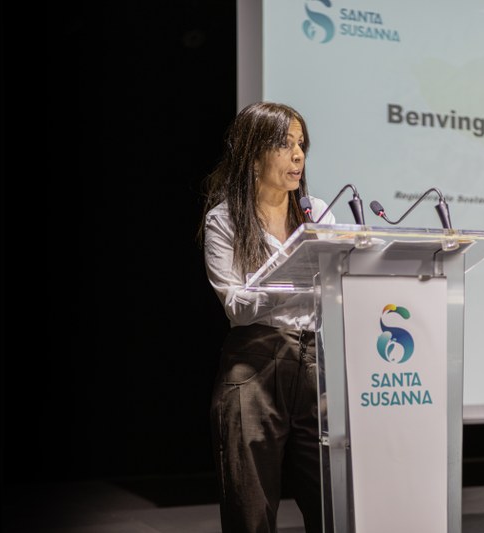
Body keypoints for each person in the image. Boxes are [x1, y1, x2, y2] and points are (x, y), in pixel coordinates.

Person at [197, 101, 335, 533]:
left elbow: (335, 286)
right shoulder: (225, 220)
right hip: (254, 364)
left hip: (314, 364)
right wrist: (294, 278)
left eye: (301, 144)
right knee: (250, 509)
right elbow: (237, 306)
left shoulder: (316, 213)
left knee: (334, 503)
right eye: (284, 144)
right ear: (253, 155)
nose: (297, 155)